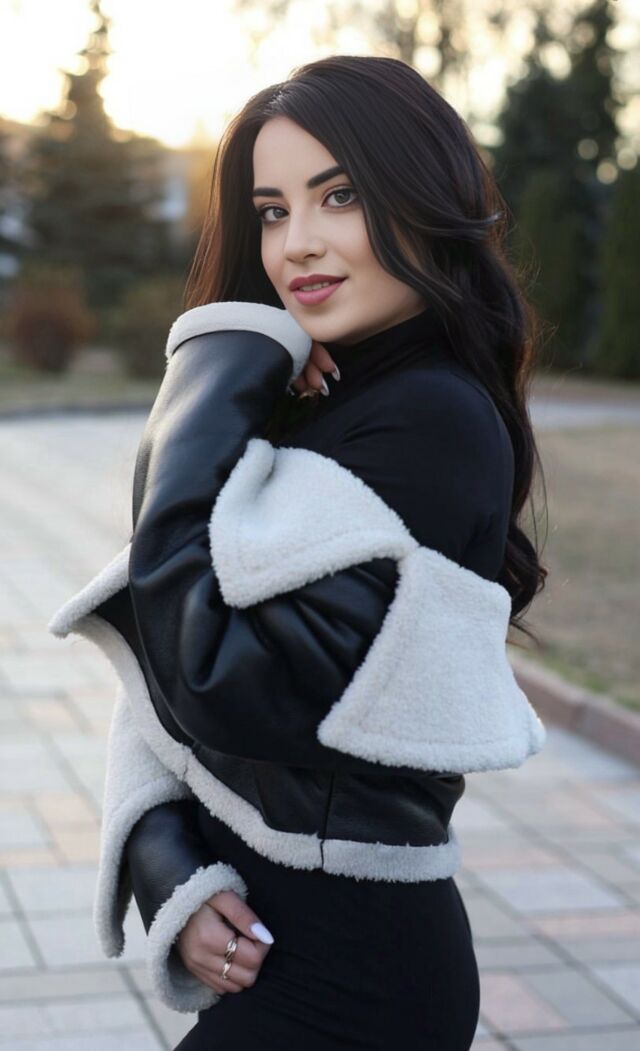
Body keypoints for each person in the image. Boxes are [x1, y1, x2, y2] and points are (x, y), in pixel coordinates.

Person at [48, 55, 549, 1050]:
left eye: (340, 196)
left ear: (424, 196)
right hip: (278, 953)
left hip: (354, 983)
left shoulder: (433, 421)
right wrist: (170, 863)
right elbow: (162, 669)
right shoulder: (321, 398)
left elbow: (209, 674)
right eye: (272, 212)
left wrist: (212, 365)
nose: (298, 244)